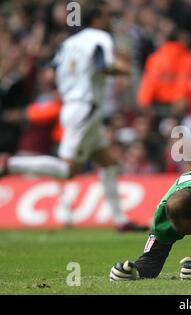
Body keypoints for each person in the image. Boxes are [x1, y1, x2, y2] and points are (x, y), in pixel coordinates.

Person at [0, 1, 147, 232]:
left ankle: (121, 220)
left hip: (76, 105)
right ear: (96, 18)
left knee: (108, 162)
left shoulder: (67, 43)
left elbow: (50, 74)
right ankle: (9, 164)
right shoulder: (100, 37)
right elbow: (103, 66)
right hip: (85, 106)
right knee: (67, 170)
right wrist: (124, 69)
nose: (109, 20)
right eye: (106, 15)